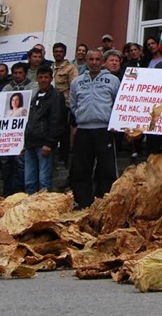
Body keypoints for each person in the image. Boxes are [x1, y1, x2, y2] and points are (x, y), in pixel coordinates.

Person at [70, 49, 120, 209]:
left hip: (104, 130)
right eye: (90, 59)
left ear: (102, 61)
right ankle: (82, 203)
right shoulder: (77, 82)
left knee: (107, 168)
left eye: (97, 59)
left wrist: (113, 122)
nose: (94, 62)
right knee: (80, 168)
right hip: (83, 130)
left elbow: (117, 103)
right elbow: (73, 104)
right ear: (86, 60)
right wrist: (79, 117)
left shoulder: (113, 80)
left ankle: (104, 201)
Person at [23, 67, 67, 194]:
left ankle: (45, 208)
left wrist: (49, 142)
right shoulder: (35, 96)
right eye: (40, 77)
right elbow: (30, 120)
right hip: (31, 143)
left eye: (46, 77)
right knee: (29, 181)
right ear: (37, 79)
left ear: (51, 79)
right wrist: (25, 143)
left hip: (44, 143)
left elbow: (57, 121)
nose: (43, 80)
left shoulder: (56, 96)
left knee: (44, 181)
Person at [2, 63, 37, 196]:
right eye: (15, 73)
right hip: (6, 133)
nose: (17, 75)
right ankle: (6, 193)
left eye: (20, 73)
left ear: (25, 73)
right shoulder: (6, 87)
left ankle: (19, 193)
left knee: (20, 163)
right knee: (6, 163)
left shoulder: (33, 85)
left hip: (23, 132)